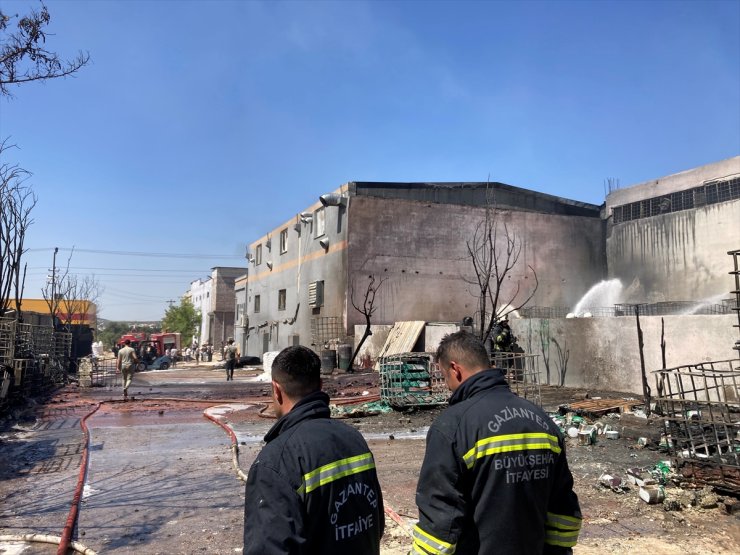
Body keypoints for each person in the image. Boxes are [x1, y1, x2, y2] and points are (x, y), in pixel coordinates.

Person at [413, 331, 581, 554]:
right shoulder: (542, 420)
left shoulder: (452, 427)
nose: (448, 386)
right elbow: (563, 510)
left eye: (445, 377)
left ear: (456, 369)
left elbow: (439, 523)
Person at [243, 346, 384, 554]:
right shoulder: (353, 439)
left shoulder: (276, 461)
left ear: (276, 390)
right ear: (319, 386)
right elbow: (375, 523)